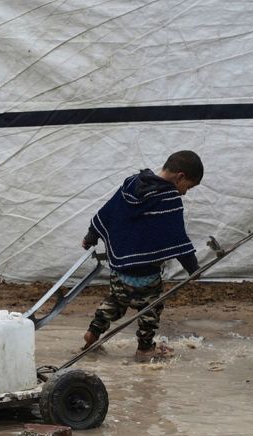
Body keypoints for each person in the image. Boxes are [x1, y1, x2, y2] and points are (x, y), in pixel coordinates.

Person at [81, 151, 203, 362]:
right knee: (149, 310)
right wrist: (193, 268)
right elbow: (177, 237)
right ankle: (145, 349)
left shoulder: (132, 183)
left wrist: (91, 235)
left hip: (120, 268)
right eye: (188, 187)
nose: (185, 193)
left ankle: (93, 332)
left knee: (115, 302)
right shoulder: (169, 198)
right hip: (147, 274)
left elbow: (109, 211)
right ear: (180, 177)